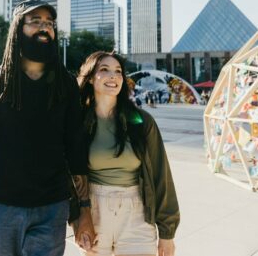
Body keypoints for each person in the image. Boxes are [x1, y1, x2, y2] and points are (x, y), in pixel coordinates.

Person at [0, 0, 95, 256]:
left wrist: (85, 212)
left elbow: (76, 149)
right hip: (3, 206)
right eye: (35, 22)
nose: (44, 28)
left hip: (53, 207)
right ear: (17, 29)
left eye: (49, 23)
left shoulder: (66, 85)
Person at [77, 51, 180, 256]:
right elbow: (70, 176)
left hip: (137, 212)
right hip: (94, 211)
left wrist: (167, 233)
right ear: (89, 78)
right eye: (104, 70)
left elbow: (161, 176)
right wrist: (78, 218)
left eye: (118, 71)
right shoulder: (78, 122)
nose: (113, 76)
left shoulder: (140, 121)